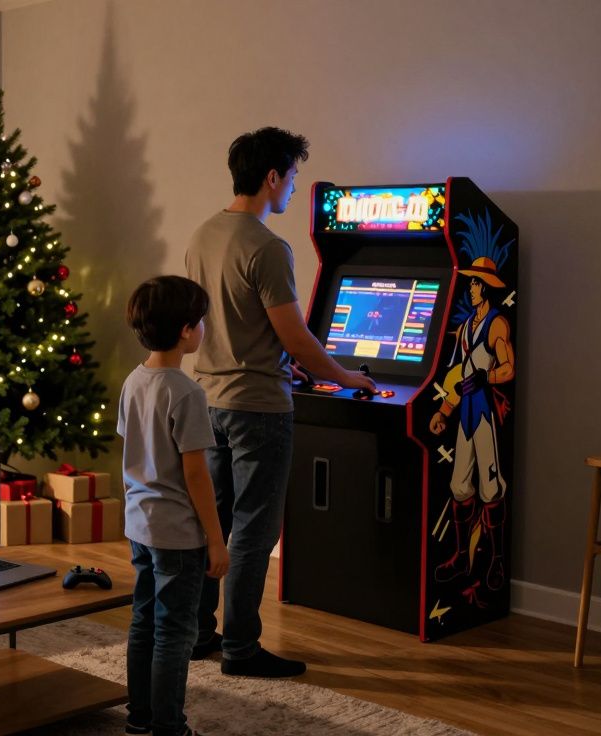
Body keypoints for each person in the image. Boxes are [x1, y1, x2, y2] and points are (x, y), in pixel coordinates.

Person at [185, 127, 374, 678]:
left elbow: (224, 323)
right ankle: (241, 649)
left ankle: (198, 633)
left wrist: (278, 358)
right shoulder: (268, 247)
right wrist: (346, 377)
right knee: (253, 531)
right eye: (292, 176)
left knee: (211, 523)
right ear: (272, 176)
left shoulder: (202, 234)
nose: (292, 187)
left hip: (210, 399)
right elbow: (296, 337)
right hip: (259, 409)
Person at [119, 275, 230, 736]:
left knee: (143, 621)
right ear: (186, 331)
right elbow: (196, 474)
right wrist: (217, 540)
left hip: (140, 526)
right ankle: (170, 726)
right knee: (175, 633)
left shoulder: (134, 380)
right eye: (200, 320)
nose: (203, 328)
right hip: (178, 535)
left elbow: (133, 448)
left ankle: (139, 717)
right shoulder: (185, 392)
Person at [429, 256, 515, 603]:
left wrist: (488, 377)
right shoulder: (465, 327)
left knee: (491, 488)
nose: (472, 287)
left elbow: (509, 368)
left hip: (485, 416)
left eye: (477, 282)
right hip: (464, 411)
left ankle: (495, 559)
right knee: (459, 486)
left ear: (488, 287)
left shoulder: (497, 324)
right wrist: (444, 410)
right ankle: (463, 556)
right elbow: (458, 377)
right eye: (471, 282)